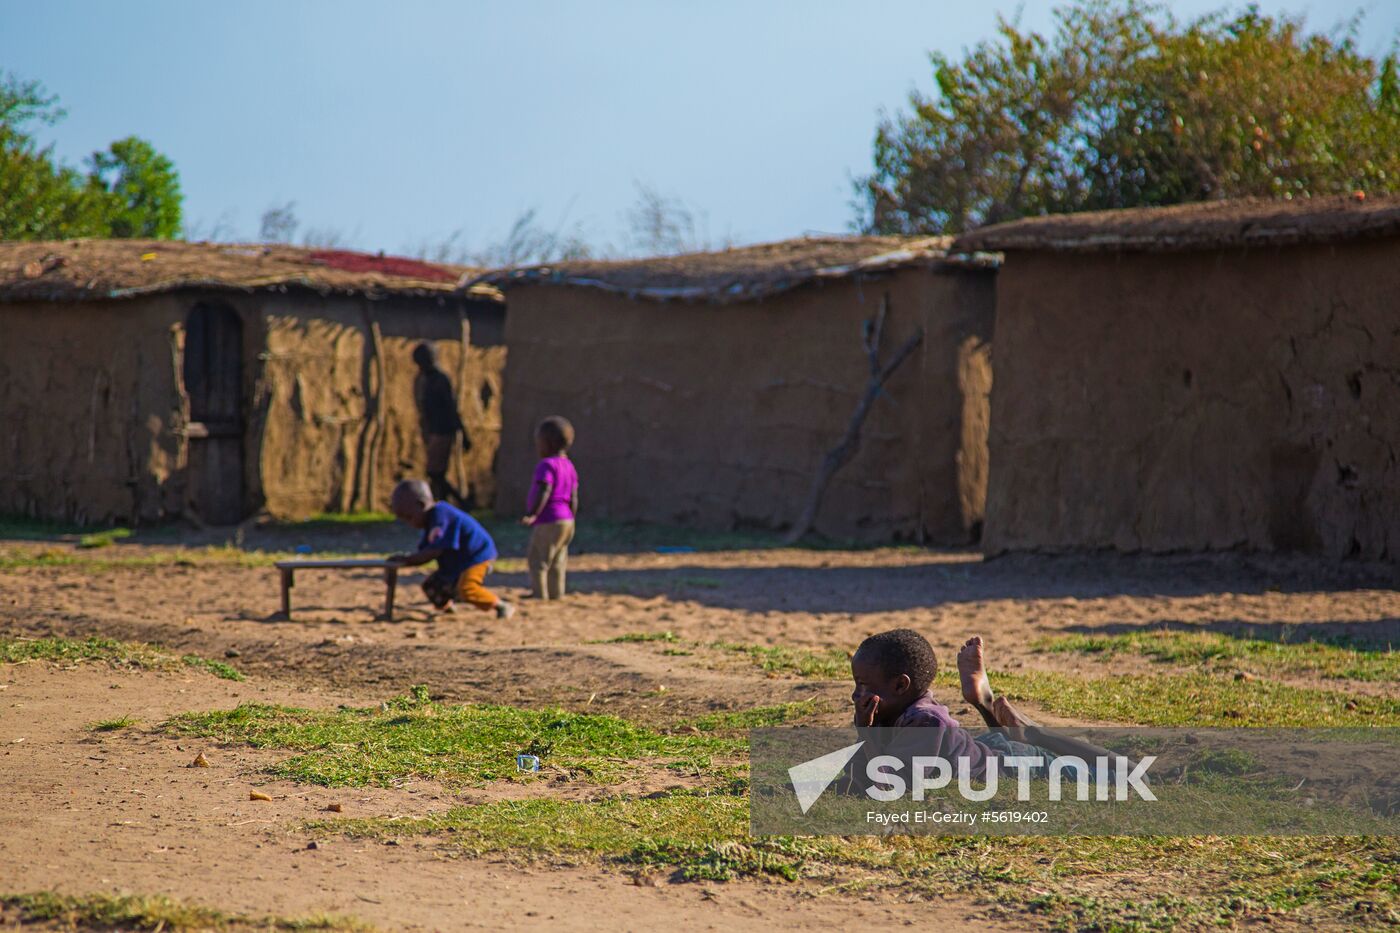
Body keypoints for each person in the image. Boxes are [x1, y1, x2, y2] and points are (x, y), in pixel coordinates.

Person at [845, 629, 1114, 790]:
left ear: (900, 686)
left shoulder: (926, 722)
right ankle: (985, 704)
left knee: (1130, 775)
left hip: (1014, 766)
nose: (857, 694)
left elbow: (892, 787)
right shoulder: (893, 714)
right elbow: (862, 771)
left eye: (863, 685)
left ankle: (1035, 734)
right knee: (1005, 745)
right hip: (984, 750)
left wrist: (865, 732)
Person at [388, 479, 514, 619]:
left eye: (408, 517)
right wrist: (408, 559)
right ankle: (448, 608)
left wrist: (408, 560)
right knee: (431, 586)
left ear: (421, 505)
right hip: (457, 562)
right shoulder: (430, 522)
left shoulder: (442, 515)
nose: (408, 523)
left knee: (467, 588)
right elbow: (425, 550)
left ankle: (500, 605)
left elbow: (432, 552)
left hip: (476, 557)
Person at [520, 416, 579, 599]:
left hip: (549, 519)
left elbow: (544, 488)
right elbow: (574, 496)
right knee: (558, 559)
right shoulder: (569, 465)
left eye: (539, 442)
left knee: (538, 559)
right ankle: (557, 593)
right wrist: (571, 517)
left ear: (548, 443)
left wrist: (532, 514)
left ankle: (539, 594)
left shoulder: (546, 465)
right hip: (567, 520)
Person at [412, 343, 470, 507]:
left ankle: (462, 503)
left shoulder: (439, 380)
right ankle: (446, 505)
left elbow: (451, 407)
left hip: (443, 430)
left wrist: (463, 434)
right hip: (434, 431)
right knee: (437, 474)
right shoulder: (427, 380)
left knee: (434, 473)